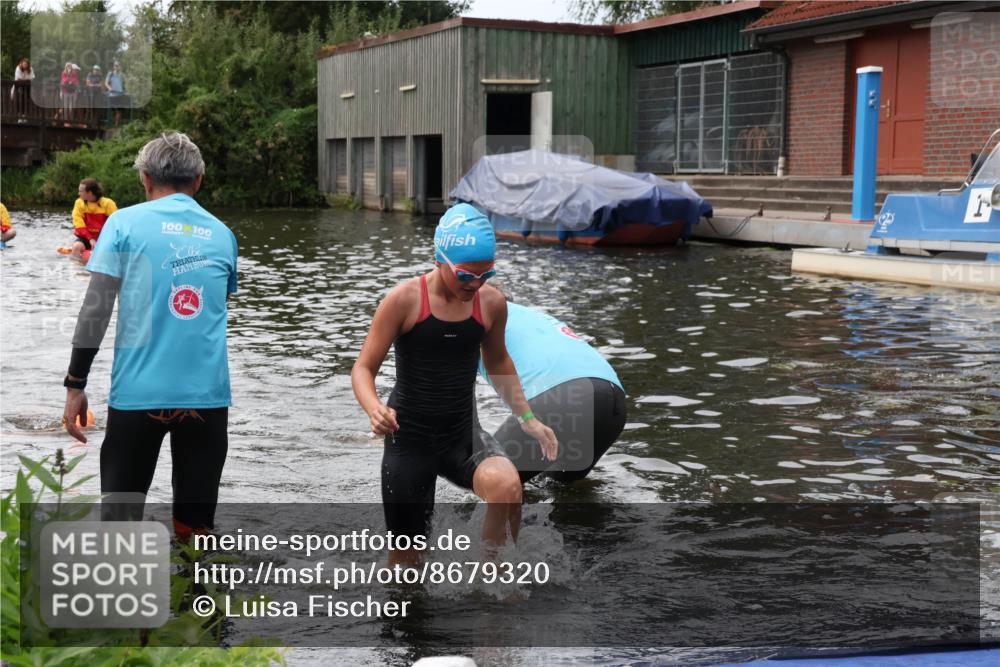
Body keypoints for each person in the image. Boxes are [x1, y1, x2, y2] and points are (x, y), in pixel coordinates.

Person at [352, 203, 557, 567]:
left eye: (486, 274)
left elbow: (497, 361)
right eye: (466, 276)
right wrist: (374, 409)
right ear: (439, 259)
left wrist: (528, 418)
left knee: (508, 487)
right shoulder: (404, 301)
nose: (476, 285)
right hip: (409, 442)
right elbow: (363, 369)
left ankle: (491, 582)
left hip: (461, 435)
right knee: (406, 566)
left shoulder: (491, 303)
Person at [61, 132, 238, 541]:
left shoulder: (123, 223)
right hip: (206, 402)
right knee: (197, 533)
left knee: (119, 525)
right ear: (198, 182)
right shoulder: (223, 234)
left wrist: (75, 384)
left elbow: (96, 310)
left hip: (138, 397)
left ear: (145, 179)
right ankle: (199, 599)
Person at [478, 291, 627, 485]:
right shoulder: (533, 317)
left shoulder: (475, 319)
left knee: (486, 481)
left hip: (565, 398)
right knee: (554, 489)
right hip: (613, 403)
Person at [71, 179, 117, 261]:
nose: (79, 194)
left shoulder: (108, 203)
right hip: (86, 237)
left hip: (103, 238)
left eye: (81, 191)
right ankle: (78, 272)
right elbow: (79, 225)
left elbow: (116, 224)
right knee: (76, 247)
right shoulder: (79, 203)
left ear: (90, 193)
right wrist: (90, 239)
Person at [11, 58, 34, 122]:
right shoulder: (18, 68)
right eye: (24, 64)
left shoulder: (30, 69)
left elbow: (32, 78)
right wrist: (26, 79)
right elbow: (18, 79)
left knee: (26, 101)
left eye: (26, 64)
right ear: (21, 64)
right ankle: (19, 116)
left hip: (27, 87)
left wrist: (26, 80)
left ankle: (24, 116)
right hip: (18, 86)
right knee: (19, 100)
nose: (25, 65)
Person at [104, 61, 127, 126]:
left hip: (120, 94)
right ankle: (111, 124)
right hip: (112, 94)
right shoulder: (110, 74)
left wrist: (125, 91)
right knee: (113, 110)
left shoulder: (121, 75)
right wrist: (109, 88)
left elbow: (124, 84)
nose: (117, 67)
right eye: (115, 66)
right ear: (114, 66)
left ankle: (116, 124)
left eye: (118, 65)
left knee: (119, 110)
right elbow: (106, 83)